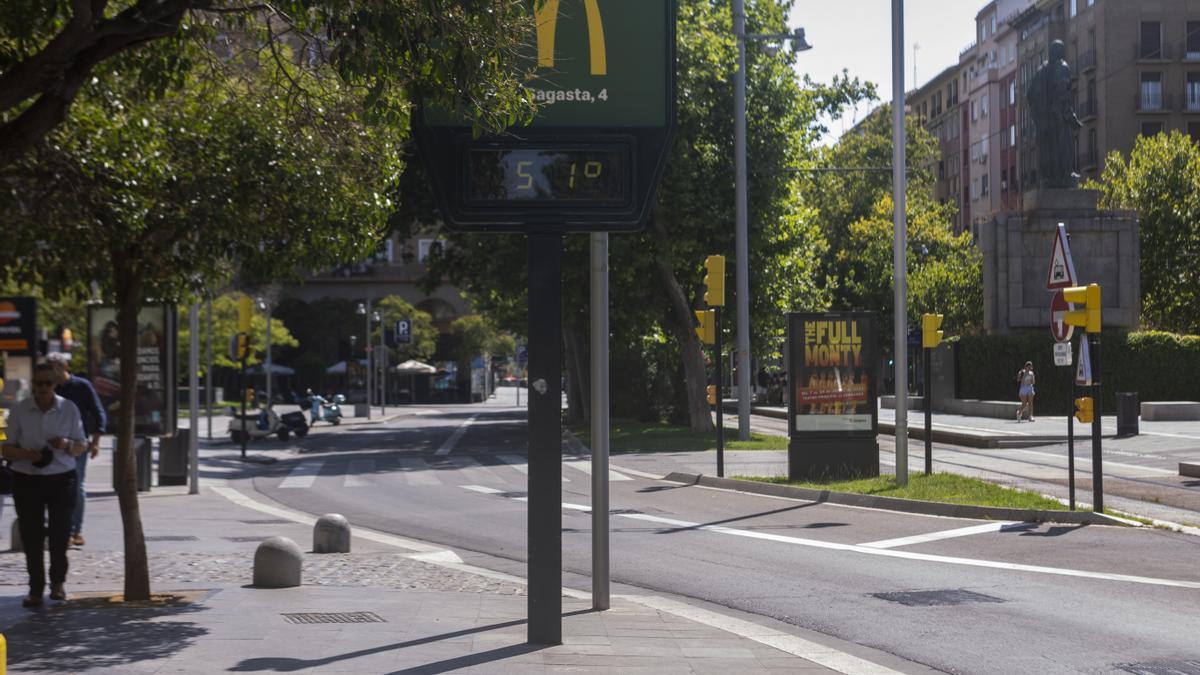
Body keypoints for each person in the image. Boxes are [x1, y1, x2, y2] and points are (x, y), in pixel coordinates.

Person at [1, 363, 87, 607]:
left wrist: (65, 444)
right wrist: (25, 454)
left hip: (61, 477)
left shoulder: (68, 409)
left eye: (48, 384)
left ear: (56, 384)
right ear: (33, 384)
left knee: (60, 534)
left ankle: (58, 583)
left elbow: (82, 444)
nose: (42, 389)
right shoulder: (19, 410)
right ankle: (35, 588)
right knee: (31, 535)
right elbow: (6, 447)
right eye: (38, 384)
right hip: (27, 478)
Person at [45, 352, 106, 547]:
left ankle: (75, 530)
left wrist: (95, 442)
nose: (50, 375)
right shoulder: (48, 388)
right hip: (52, 444)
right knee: (52, 486)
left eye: (53, 369)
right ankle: (59, 528)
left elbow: (98, 414)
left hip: (77, 443)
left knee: (76, 485)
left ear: (64, 369)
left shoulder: (81, 386)